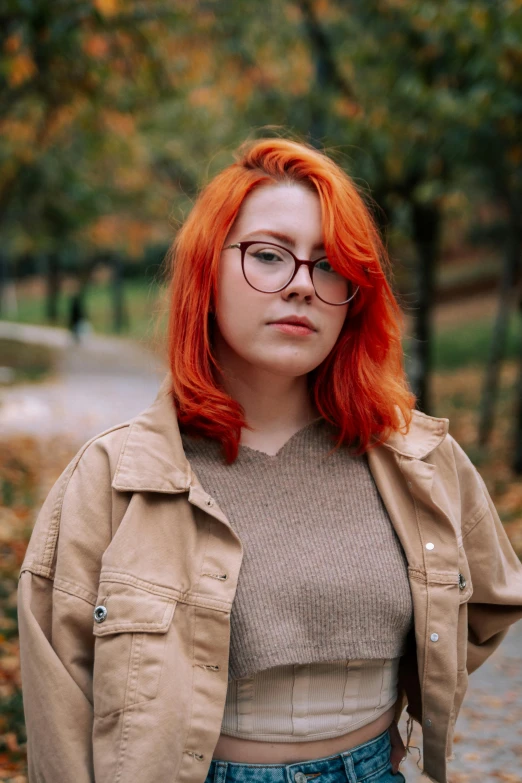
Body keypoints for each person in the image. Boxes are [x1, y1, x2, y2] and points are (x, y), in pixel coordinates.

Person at [17, 138, 522, 783]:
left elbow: (489, 602)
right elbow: (60, 709)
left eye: (330, 264)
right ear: (207, 270)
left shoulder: (420, 458)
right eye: (267, 255)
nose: (303, 286)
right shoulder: (111, 479)